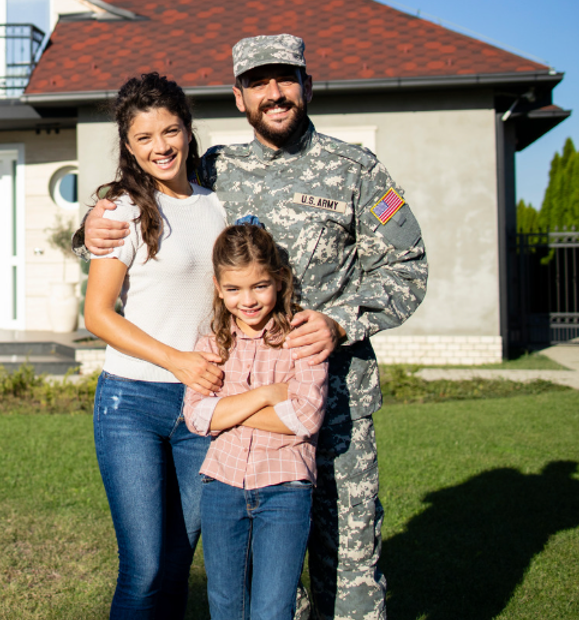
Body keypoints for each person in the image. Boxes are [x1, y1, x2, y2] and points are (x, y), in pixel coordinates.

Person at [81, 34, 428, 620]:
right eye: (259, 83)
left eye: (286, 79)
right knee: (259, 575)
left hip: (336, 405)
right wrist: (89, 223)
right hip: (245, 406)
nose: (275, 93)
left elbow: (408, 267)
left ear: (307, 86)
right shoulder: (220, 171)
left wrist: (340, 322)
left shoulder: (356, 169)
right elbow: (147, 209)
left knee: (349, 567)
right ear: (238, 98)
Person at [83, 72, 227, 619]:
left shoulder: (218, 207)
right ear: (128, 146)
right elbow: (97, 315)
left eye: (169, 131)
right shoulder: (121, 211)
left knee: (176, 564)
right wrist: (178, 361)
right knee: (143, 569)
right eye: (144, 138)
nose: (160, 147)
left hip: (199, 408)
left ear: (189, 132)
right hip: (132, 405)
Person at [184, 220, 328, 620]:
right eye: (233, 289)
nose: (247, 300)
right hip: (222, 488)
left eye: (259, 286)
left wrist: (228, 410)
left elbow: (304, 415)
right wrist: (265, 396)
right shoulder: (211, 344)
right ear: (218, 286)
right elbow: (197, 416)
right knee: (227, 605)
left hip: (285, 490)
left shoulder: (300, 339)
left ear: (279, 281)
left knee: (272, 609)